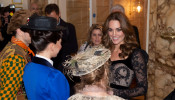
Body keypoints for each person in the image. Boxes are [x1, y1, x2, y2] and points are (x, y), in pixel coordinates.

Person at [102, 12, 148, 99]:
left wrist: (114, 92)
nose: (114, 34)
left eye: (119, 29)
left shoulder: (135, 54)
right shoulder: (105, 51)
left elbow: (143, 88)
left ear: (125, 30)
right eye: (110, 30)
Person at [23, 16, 70, 100]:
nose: (61, 46)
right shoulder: (54, 76)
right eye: (60, 43)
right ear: (52, 46)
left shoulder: (28, 67)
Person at [0, 9, 34, 99]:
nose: (34, 32)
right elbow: (6, 97)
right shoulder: (16, 58)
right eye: (30, 29)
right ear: (19, 30)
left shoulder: (17, 49)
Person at [44, 3, 78, 71]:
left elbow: (74, 48)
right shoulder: (44, 29)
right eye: (48, 19)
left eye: (53, 19)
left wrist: (59, 46)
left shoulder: (69, 28)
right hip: (49, 66)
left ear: (59, 14)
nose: (51, 22)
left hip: (65, 67)